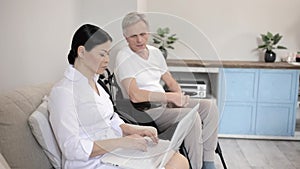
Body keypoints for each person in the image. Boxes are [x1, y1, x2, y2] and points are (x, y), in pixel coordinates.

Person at [48, 24, 189, 169]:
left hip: (113, 154)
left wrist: (136, 130)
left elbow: (111, 119)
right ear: (82, 52)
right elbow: (71, 148)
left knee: (177, 159)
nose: (107, 60)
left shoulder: (97, 84)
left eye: (108, 54)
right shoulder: (64, 93)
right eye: (102, 54)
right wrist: (123, 142)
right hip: (90, 163)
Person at [114, 12, 219, 169]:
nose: (139, 40)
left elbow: (170, 81)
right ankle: (196, 166)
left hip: (165, 104)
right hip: (146, 111)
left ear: (148, 32)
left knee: (209, 106)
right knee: (192, 117)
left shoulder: (155, 53)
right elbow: (135, 95)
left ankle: (208, 162)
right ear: (125, 36)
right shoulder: (124, 56)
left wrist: (179, 96)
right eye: (133, 36)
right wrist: (169, 98)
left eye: (143, 34)